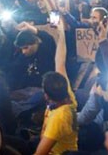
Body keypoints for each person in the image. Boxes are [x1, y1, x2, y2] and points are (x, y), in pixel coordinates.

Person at [34, 22, 78, 155]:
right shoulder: (68, 98)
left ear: (46, 95)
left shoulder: (59, 117)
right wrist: (61, 33)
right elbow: (60, 62)